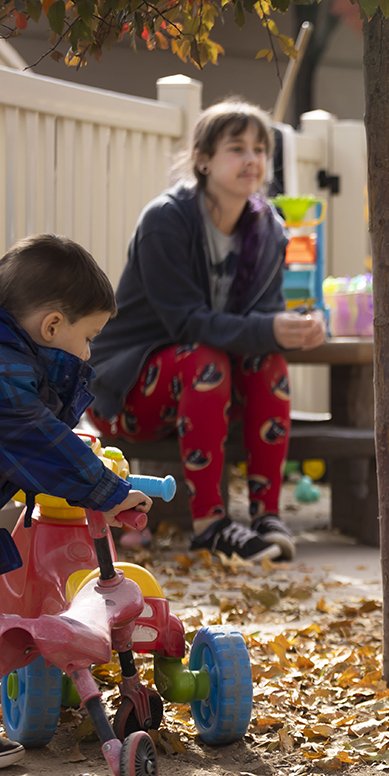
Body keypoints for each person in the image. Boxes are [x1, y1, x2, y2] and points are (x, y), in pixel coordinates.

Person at [87, 99, 326, 563]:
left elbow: (268, 317)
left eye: (260, 149)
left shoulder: (270, 231)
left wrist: (303, 325)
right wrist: (270, 326)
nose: (253, 160)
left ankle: (266, 515)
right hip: (130, 396)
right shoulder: (166, 221)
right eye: (237, 148)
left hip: (212, 398)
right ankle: (209, 524)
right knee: (205, 359)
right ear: (203, 160)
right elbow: (186, 323)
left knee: (267, 359)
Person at [0, 234, 155, 769]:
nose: (90, 353)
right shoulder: (5, 380)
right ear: (51, 327)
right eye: (88, 337)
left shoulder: (16, 365)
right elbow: (31, 433)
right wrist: (106, 491)